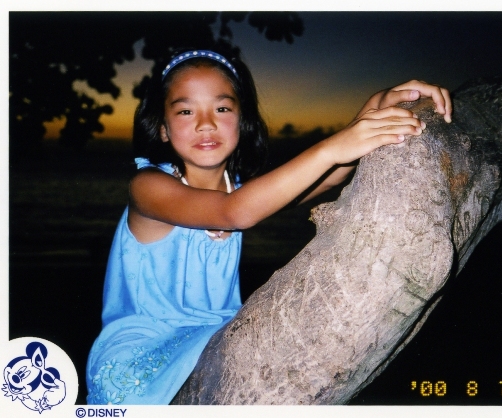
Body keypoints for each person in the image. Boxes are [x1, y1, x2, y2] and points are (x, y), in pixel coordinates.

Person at [86, 49, 452, 405]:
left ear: (242, 121)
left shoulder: (239, 192)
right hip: (141, 355)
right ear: (163, 129)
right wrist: (331, 147)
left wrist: (375, 105)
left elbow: (327, 177)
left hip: (214, 337)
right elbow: (234, 213)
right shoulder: (148, 187)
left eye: (222, 108)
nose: (205, 123)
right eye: (185, 110)